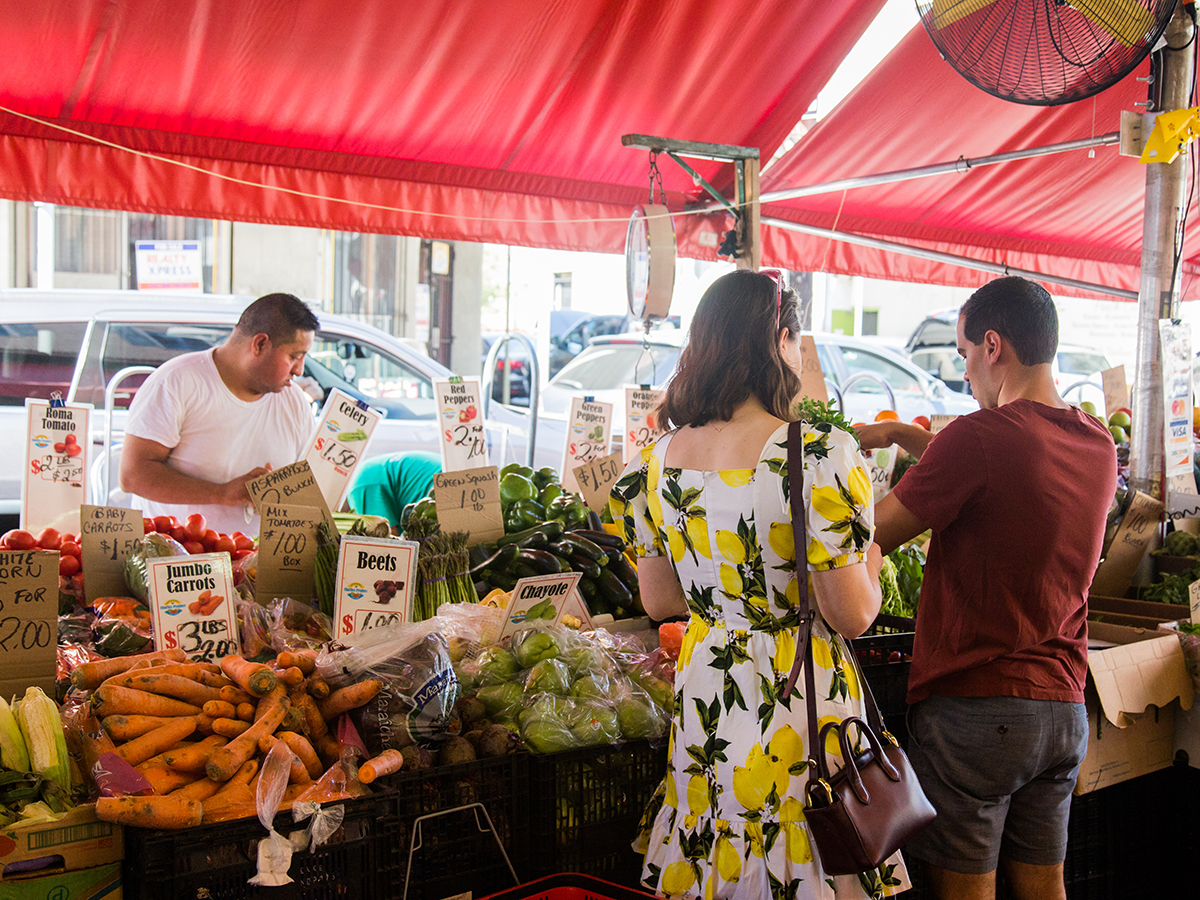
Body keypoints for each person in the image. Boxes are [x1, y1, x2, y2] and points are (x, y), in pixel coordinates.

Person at [609, 268, 909, 900]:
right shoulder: (817, 452)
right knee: (805, 839)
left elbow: (659, 600)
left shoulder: (655, 461)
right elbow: (851, 615)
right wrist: (873, 569)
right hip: (796, 689)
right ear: (780, 335)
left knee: (719, 834)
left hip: (709, 685)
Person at [856, 276, 1116, 900]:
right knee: (1043, 888)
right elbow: (1008, 462)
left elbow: (876, 534)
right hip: (1062, 709)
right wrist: (902, 437)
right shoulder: (1097, 443)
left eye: (967, 353)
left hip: (978, 711)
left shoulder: (980, 439)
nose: (966, 372)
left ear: (994, 346)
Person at [120, 292, 320, 535]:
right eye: (294, 357)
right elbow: (133, 475)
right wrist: (222, 493)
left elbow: (308, 485)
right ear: (260, 344)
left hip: (257, 565)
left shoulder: (294, 401)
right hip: (177, 562)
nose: (299, 370)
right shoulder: (176, 382)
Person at [345, 451, 442, 527]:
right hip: (447, 481)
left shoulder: (358, 487)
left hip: (440, 490)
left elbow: (388, 543)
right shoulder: (366, 471)